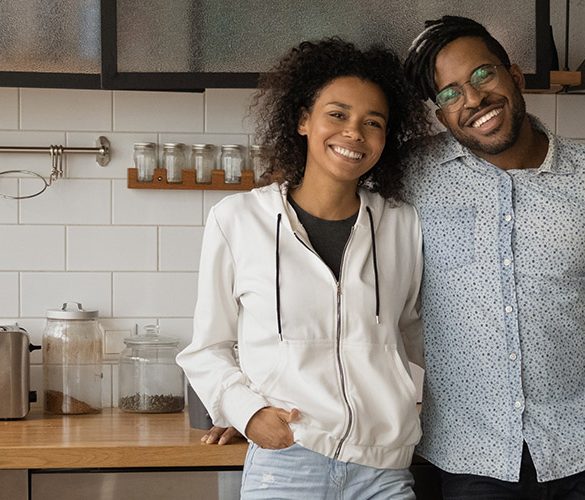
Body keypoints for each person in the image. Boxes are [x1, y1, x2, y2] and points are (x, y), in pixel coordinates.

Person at [397, 16, 585, 498]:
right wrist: (239, 401)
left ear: (514, 76)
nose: (473, 99)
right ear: (441, 116)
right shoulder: (411, 174)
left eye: (482, 75)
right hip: (465, 454)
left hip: (580, 449)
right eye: (450, 94)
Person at [177, 38, 432, 500]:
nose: (354, 132)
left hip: (384, 469)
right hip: (289, 462)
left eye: (372, 123)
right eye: (337, 115)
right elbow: (206, 348)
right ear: (302, 120)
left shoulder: (401, 224)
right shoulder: (238, 221)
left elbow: (417, 338)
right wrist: (246, 412)